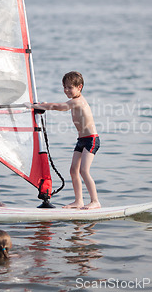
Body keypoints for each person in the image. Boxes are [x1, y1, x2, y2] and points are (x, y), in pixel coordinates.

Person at [26, 71, 101, 210]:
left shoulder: (78, 101)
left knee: (84, 171)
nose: (66, 90)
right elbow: (56, 105)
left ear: (80, 87)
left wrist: (40, 106)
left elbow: (59, 107)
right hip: (81, 140)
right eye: (64, 87)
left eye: (69, 87)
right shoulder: (73, 101)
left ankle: (95, 201)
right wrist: (44, 105)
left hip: (91, 140)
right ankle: (79, 201)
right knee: (73, 170)